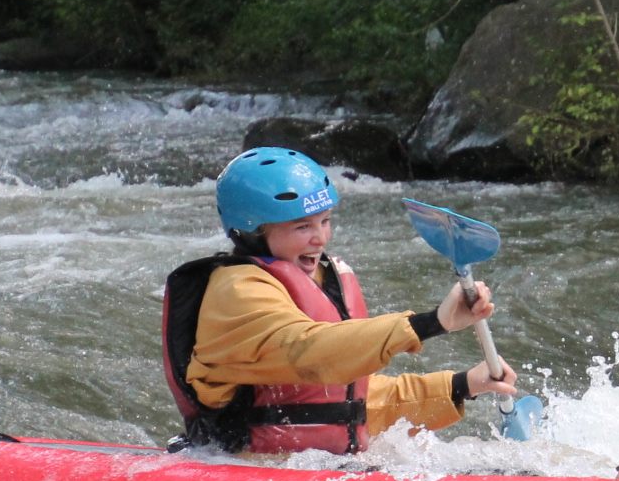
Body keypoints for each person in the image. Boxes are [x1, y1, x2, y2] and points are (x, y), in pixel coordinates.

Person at [161, 147, 517, 454]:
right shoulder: (235, 292)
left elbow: (349, 402)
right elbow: (310, 352)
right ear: (252, 231)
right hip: (241, 469)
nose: (320, 239)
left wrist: (462, 385)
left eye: (325, 221)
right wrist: (431, 323)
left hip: (310, 470)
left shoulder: (317, 279)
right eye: (302, 227)